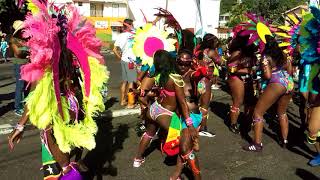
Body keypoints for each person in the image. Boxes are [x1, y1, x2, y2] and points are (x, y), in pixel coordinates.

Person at [8, 2, 108, 179]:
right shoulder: (67, 56)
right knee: (71, 144)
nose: (24, 42)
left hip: (56, 109)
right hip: (74, 105)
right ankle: (69, 166)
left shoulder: (46, 61)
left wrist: (20, 125)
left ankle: (67, 171)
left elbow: (35, 98)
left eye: (25, 38)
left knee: (57, 154)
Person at [133, 50, 201, 180]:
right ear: (172, 61)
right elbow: (182, 103)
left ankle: (138, 159)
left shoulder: (159, 74)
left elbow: (148, 91)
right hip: (164, 113)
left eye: (186, 64)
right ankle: (182, 170)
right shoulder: (176, 78)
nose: (182, 66)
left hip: (154, 109)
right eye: (180, 62)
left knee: (149, 134)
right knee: (184, 141)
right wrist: (190, 125)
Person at [243, 36, 293, 152]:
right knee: (282, 113)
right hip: (288, 82)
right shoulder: (282, 54)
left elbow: (268, 75)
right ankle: (285, 140)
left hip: (276, 83)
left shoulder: (266, 57)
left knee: (258, 112)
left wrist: (259, 69)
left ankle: (257, 144)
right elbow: (289, 70)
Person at [227, 31, 257, 134]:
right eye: (247, 38)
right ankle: (233, 124)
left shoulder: (251, 51)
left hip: (249, 78)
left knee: (251, 102)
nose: (249, 39)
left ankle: (247, 121)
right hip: (237, 78)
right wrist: (241, 65)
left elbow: (253, 66)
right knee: (238, 101)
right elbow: (230, 67)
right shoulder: (237, 52)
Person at [194, 33, 220, 137]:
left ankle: (195, 125)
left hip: (198, 80)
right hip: (205, 81)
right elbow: (220, 62)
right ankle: (202, 128)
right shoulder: (211, 51)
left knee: (198, 104)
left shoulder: (198, 50)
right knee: (205, 106)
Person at [113, 18, 137, 108]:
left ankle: (123, 100)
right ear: (130, 25)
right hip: (131, 61)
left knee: (124, 81)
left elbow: (114, 50)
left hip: (123, 60)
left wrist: (120, 57)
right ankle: (130, 103)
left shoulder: (120, 36)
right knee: (131, 82)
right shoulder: (134, 35)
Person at [10, 20, 29, 116]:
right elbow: (18, 52)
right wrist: (27, 50)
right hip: (19, 65)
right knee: (20, 86)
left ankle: (26, 105)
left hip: (27, 64)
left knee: (26, 86)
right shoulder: (14, 40)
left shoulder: (25, 39)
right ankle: (17, 107)